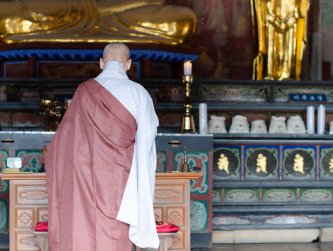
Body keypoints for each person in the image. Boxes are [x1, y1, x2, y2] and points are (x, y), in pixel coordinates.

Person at [45, 43, 159, 250]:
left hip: (83, 178)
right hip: (120, 179)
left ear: (100, 63)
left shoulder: (84, 91)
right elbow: (147, 143)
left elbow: (62, 143)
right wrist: (143, 182)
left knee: (81, 228)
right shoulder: (138, 93)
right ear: (128, 64)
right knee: (115, 233)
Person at [0, 0, 197, 44]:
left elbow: (154, 1)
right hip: (62, 10)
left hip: (119, 14)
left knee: (183, 20)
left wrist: (95, 10)